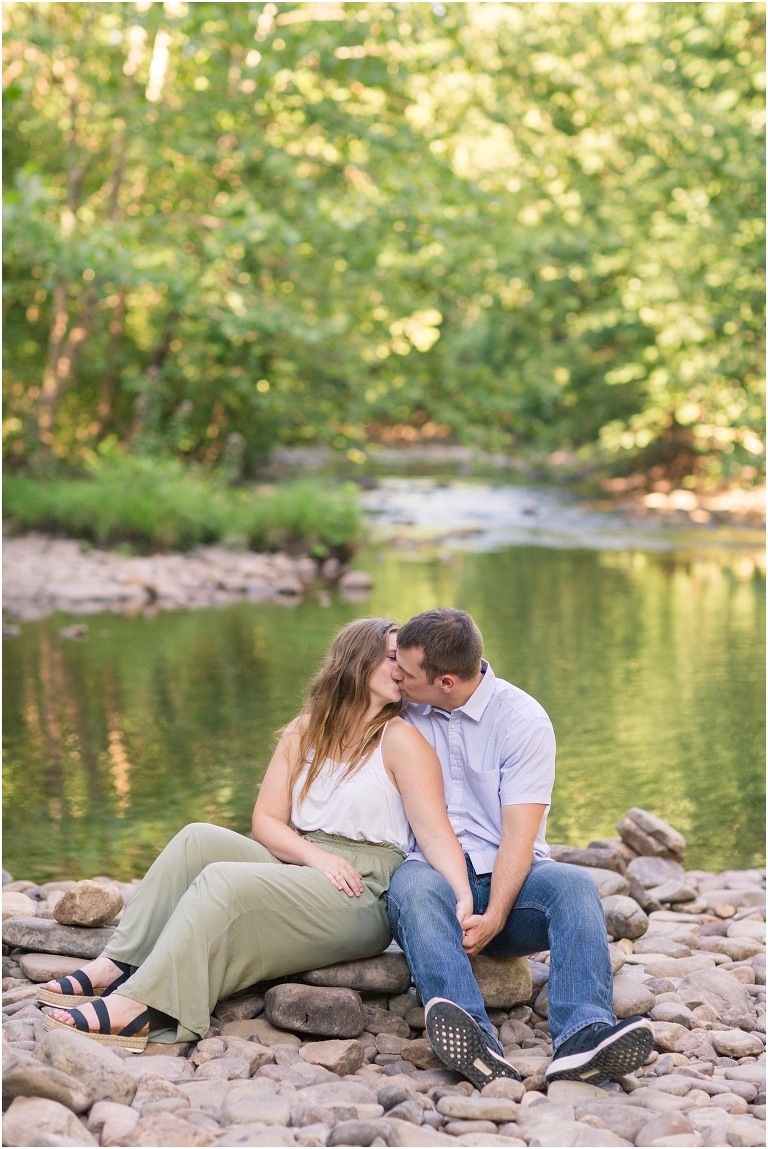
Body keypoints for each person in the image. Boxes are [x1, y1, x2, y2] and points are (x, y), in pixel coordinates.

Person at [40, 618, 482, 1055]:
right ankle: (118, 964)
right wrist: (315, 857)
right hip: (309, 862)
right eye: (391, 659)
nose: (402, 670)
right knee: (197, 839)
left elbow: (436, 833)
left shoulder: (401, 740)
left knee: (223, 882)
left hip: (362, 889)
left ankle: (142, 1006)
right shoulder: (305, 729)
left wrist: (463, 898)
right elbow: (266, 821)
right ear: (357, 662)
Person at [388, 608, 654, 1088]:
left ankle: (583, 1037)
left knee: (574, 884)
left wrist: (494, 917)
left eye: (405, 673)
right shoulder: (402, 709)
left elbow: (518, 837)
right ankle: (476, 1041)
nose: (396, 678)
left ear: (446, 681)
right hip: (434, 878)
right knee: (410, 886)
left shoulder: (523, 720)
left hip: (508, 883)